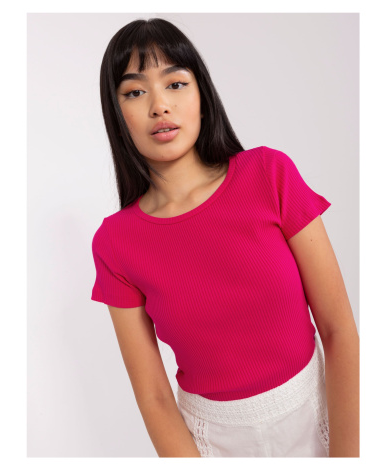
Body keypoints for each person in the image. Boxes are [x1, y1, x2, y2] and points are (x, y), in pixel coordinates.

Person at [91, 17, 359, 458]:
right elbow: (154, 397)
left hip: (320, 411)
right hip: (210, 442)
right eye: (135, 92)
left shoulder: (269, 175)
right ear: (117, 116)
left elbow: (338, 329)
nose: (159, 105)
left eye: (175, 84)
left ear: (202, 97)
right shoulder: (115, 242)